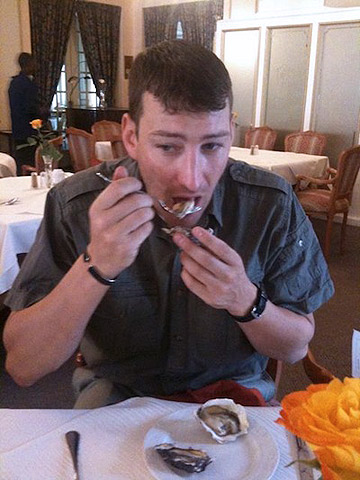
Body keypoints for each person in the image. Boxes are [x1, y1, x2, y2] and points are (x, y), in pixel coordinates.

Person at [3, 41, 334, 408]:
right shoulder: (74, 205)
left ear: (231, 132)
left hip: (235, 398)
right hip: (115, 398)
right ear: (131, 136)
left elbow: (294, 348)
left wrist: (244, 299)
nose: (192, 180)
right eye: (168, 147)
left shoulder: (271, 204)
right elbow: (24, 366)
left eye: (212, 146)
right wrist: (96, 265)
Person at [8, 52, 41, 175]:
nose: (36, 65)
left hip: (17, 130)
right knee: (30, 162)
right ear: (28, 64)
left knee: (20, 161)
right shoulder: (27, 84)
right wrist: (43, 113)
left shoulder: (14, 83)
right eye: (34, 63)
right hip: (28, 130)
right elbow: (30, 109)